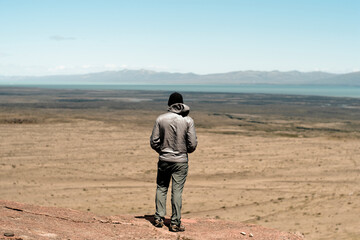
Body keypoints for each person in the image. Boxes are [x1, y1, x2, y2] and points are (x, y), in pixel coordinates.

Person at [150, 92, 197, 232]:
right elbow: (192, 144)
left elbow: (154, 141)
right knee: (177, 191)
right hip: (181, 161)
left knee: (161, 188)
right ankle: (175, 222)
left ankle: (159, 218)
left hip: (164, 159)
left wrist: (162, 151)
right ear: (181, 104)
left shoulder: (160, 119)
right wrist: (183, 151)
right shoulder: (188, 120)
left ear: (169, 104)